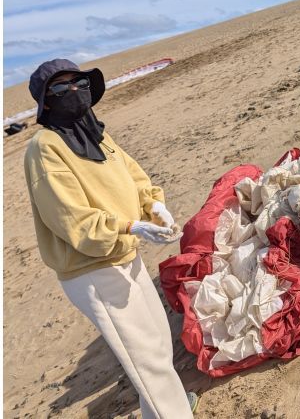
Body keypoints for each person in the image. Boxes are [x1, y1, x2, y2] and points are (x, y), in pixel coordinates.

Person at [23, 59, 198, 419]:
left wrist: (154, 205)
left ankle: (164, 410)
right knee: (145, 358)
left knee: (157, 342)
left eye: (79, 82)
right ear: (46, 102)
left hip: (125, 254)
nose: (73, 91)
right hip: (93, 269)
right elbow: (72, 219)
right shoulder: (45, 148)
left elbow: (134, 177)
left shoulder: (95, 132)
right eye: (60, 88)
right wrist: (130, 227)